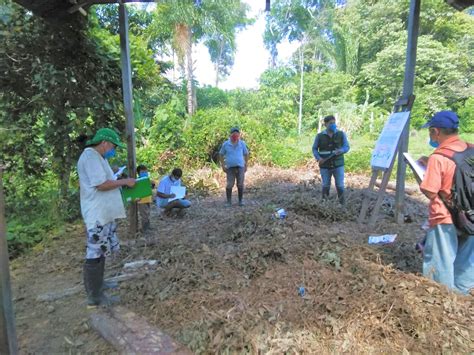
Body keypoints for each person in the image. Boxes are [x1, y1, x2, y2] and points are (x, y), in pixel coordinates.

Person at [77, 128, 136, 307]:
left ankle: (99, 284)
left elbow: (106, 181)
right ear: (104, 143)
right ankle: (94, 296)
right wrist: (125, 182)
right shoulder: (90, 157)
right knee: (95, 252)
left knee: (101, 250)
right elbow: (101, 184)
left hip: (103, 212)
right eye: (112, 146)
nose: (113, 150)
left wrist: (121, 183)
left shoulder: (97, 157)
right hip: (96, 213)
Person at [418, 110, 473, 294]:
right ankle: (461, 296)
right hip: (471, 214)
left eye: (430, 132)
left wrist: (424, 172)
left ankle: (440, 299)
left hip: (445, 216)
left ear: (436, 131)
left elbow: (430, 190)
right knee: (466, 260)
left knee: (440, 259)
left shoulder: (439, 156)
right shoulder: (471, 148)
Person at [312, 115, 350, 204]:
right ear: (325, 124)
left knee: (340, 185)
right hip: (325, 165)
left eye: (334, 123)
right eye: (330, 123)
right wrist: (318, 158)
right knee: (325, 185)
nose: (333, 125)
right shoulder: (320, 136)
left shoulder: (341, 134)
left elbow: (347, 146)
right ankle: (325, 203)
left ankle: (342, 204)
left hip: (338, 164)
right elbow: (314, 149)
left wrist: (342, 150)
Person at [219, 127, 249, 207]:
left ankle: (240, 201)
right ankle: (229, 202)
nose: (235, 137)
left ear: (239, 135)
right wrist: (223, 165)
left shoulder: (242, 143)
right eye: (233, 135)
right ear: (230, 135)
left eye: (237, 135)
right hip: (230, 167)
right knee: (229, 184)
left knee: (240, 184)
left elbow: (246, 154)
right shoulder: (226, 144)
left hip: (240, 166)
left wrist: (246, 164)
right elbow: (221, 154)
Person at [136, 164, 155, 232]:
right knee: (144, 215)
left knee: (148, 213)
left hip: (148, 199)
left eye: (145, 172)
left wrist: (152, 184)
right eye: (142, 172)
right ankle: (144, 229)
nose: (144, 173)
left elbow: (151, 188)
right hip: (141, 200)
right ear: (138, 173)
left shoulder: (148, 180)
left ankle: (148, 226)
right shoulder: (137, 181)